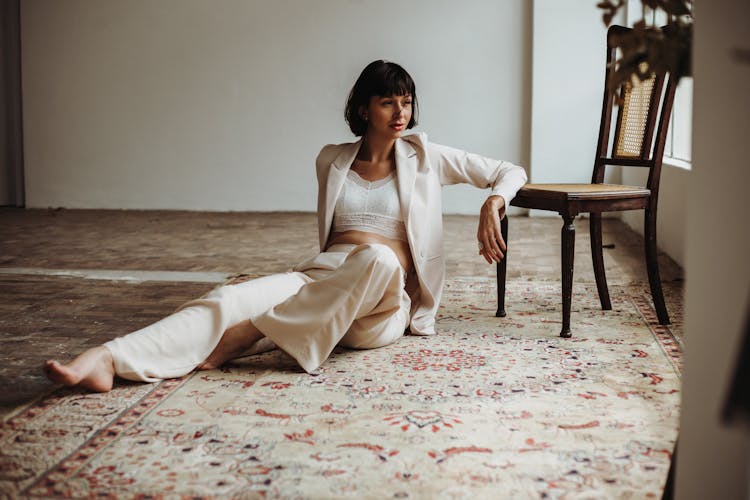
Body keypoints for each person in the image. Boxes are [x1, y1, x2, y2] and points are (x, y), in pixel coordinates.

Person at [43, 60, 528, 392]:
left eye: (406, 101)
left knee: (378, 258)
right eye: (388, 102)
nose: (400, 112)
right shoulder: (331, 160)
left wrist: (494, 201)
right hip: (319, 280)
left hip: (380, 307)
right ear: (364, 108)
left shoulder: (425, 156)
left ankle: (252, 333)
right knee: (225, 298)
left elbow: (511, 170)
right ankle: (107, 361)